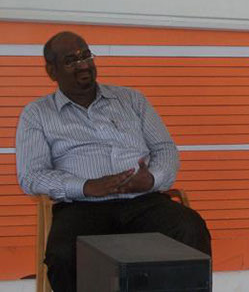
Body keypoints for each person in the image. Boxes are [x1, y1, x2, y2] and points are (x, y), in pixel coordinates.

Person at [16, 31, 211, 292]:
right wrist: (86, 186)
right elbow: (31, 175)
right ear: (51, 71)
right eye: (71, 61)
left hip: (142, 201)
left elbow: (165, 149)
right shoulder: (37, 114)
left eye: (86, 56)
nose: (83, 65)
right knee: (63, 255)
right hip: (82, 208)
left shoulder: (132, 100)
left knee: (189, 229)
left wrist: (152, 179)